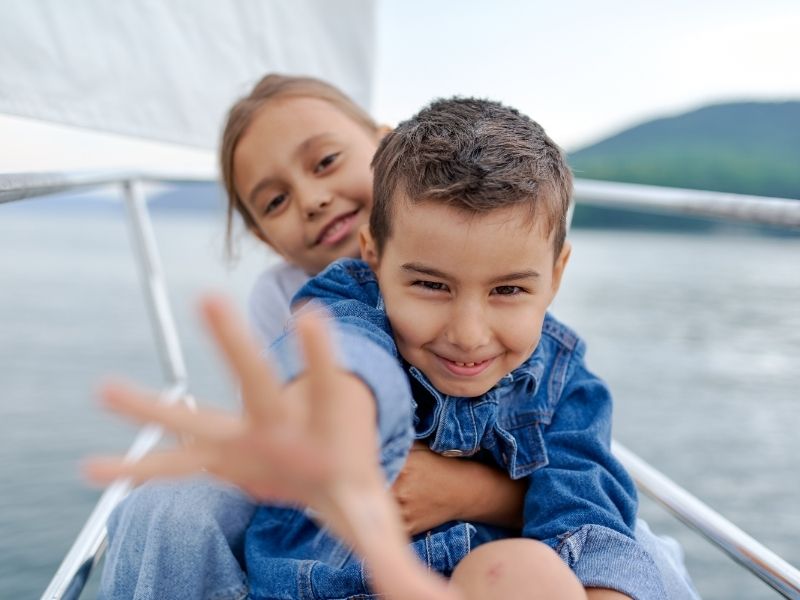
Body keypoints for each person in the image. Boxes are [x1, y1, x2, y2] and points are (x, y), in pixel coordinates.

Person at [88, 97, 699, 599]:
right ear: (373, 255)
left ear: (555, 275)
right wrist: (335, 421)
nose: (467, 332)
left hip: (478, 572)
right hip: (327, 581)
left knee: (534, 571)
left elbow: (586, 505)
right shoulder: (345, 297)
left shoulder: (564, 377)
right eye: (430, 286)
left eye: (508, 289)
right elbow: (348, 358)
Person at [96, 75, 526, 600]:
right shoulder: (282, 297)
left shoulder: (488, 250)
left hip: (480, 515)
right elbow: (318, 382)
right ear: (262, 235)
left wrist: (467, 492)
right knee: (163, 509)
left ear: (387, 146)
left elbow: (562, 455)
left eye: (324, 162)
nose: (313, 199)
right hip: (321, 507)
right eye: (275, 202)